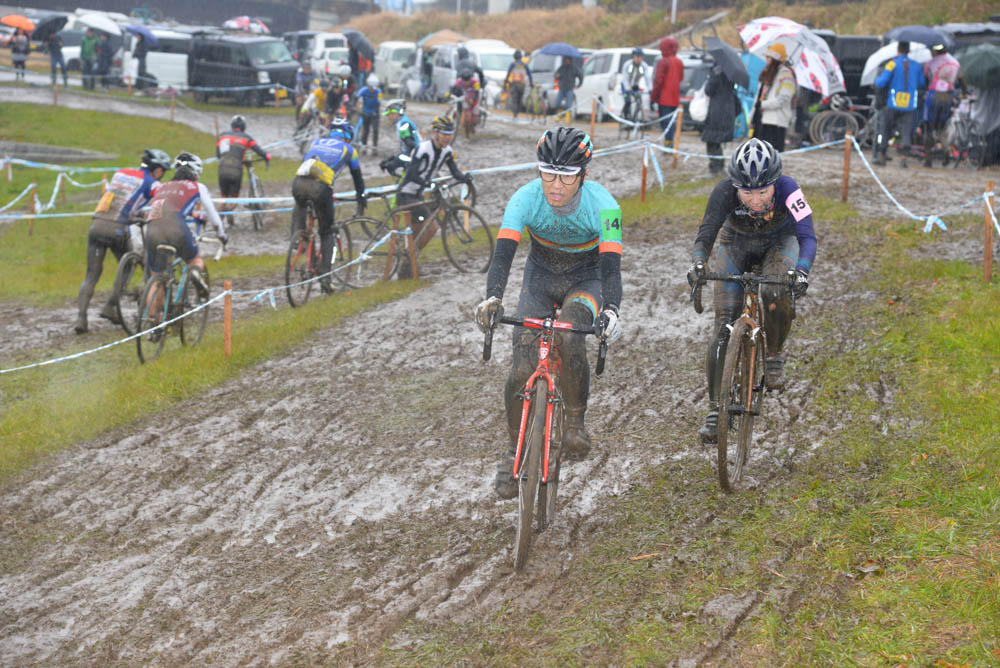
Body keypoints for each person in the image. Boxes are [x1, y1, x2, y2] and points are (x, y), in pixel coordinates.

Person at [473, 127, 623, 499]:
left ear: (583, 174)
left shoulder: (606, 206)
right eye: (549, 173)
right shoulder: (524, 198)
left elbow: (611, 269)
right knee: (521, 365)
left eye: (567, 176)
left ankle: (574, 419)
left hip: (586, 280)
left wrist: (612, 310)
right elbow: (504, 255)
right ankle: (513, 453)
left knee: (571, 334)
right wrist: (492, 298)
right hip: (539, 277)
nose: (556, 185)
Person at [687, 138, 816, 442]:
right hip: (736, 244)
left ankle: (773, 354)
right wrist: (698, 262)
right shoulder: (723, 191)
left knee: (774, 292)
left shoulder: (789, 188)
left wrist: (801, 272)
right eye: (746, 192)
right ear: (735, 187)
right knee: (723, 325)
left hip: (779, 244)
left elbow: (808, 237)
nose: (755, 201)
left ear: (775, 184)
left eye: (763, 192)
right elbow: (706, 233)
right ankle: (716, 408)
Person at [74, 149, 172, 334]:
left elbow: (122, 199)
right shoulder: (153, 184)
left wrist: (136, 213)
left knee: (91, 274)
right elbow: (159, 208)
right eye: (163, 171)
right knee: (128, 267)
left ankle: (81, 318)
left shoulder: (121, 173)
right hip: (116, 229)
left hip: (97, 224)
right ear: (158, 170)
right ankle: (110, 306)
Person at [143, 153, 228, 312]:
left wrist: (193, 214)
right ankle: (195, 272)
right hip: (176, 227)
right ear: (195, 174)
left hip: (152, 228)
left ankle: (153, 325)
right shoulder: (197, 187)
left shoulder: (162, 186)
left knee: (156, 278)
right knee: (195, 260)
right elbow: (213, 215)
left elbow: (165, 207)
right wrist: (222, 235)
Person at [292, 118, 366, 294]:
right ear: (348, 137)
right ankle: (326, 279)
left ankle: (297, 238)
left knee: (301, 205)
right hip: (321, 189)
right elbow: (357, 178)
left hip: (298, 184)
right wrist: (361, 198)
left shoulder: (314, 142)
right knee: (327, 232)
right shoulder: (350, 150)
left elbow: (305, 164)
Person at [395, 115, 473, 277]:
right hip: (406, 194)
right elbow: (411, 175)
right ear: (435, 134)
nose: (447, 138)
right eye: (444, 134)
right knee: (432, 228)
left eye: (450, 134)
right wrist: (428, 184)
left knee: (417, 233)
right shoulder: (423, 149)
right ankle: (409, 261)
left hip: (418, 194)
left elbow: (454, 171)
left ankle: (409, 263)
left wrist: (464, 178)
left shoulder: (447, 151)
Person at [873, 41, 925, 168]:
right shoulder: (917, 66)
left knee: (886, 129)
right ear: (909, 51)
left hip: (893, 103)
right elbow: (921, 83)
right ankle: (903, 159)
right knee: (906, 132)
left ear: (898, 50)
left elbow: (881, 83)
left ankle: (881, 156)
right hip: (910, 105)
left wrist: (876, 79)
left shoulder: (892, 64)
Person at [216, 115, 271, 212]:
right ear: (244, 126)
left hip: (222, 169)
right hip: (236, 170)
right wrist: (266, 156)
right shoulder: (247, 138)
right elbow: (258, 150)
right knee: (234, 200)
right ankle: (230, 210)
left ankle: (219, 218)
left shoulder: (223, 136)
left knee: (223, 198)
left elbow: (218, 154)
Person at [922, 43, 962, 168]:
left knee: (929, 127)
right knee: (942, 128)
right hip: (947, 96)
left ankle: (928, 159)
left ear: (935, 51)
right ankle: (946, 152)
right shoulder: (955, 62)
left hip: (934, 95)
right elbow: (961, 78)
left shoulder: (931, 63)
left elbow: (925, 80)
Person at [751, 43, 795, 153]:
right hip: (761, 120)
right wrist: (752, 116)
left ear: (775, 58)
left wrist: (763, 105)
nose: (766, 59)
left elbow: (783, 99)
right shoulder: (767, 73)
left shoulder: (786, 74)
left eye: (768, 57)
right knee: (757, 154)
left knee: (771, 156)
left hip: (775, 122)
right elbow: (759, 96)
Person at [701, 65, 740, 176]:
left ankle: (715, 169)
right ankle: (719, 167)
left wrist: (712, 77)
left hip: (717, 110)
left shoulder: (716, 72)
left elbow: (708, 90)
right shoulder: (731, 72)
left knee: (712, 140)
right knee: (715, 140)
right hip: (727, 109)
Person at [651, 37, 683, 144]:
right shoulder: (679, 62)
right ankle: (670, 142)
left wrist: (653, 97)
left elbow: (658, 81)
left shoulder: (663, 62)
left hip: (664, 99)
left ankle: (667, 143)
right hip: (675, 98)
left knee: (665, 122)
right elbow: (681, 78)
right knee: (671, 122)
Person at [378, 99, 420, 177]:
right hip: (413, 155)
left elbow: (411, 145)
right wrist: (389, 159)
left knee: (392, 167)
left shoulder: (403, 124)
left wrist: (394, 162)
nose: (388, 117)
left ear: (395, 113)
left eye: (388, 114)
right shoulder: (402, 121)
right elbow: (405, 148)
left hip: (415, 157)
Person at [620, 47, 652, 124]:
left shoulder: (644, 66)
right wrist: (627, 89)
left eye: (640, 57)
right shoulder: (627, 65)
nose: (639, 59)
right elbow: (625, 78)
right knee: (627, 101)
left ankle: (636, 117)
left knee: (639, 100)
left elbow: (648, 78)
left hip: (635, 86)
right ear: (633, 57)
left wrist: (650, 89)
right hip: (625, 86)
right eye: (637, 57)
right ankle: (625, 116)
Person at [355, 73, 383, 154]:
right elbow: (356, 98)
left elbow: (379, 102)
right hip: (365, 112)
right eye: (371, 88)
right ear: (368, 85)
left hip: (375, 113)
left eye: (374, 88)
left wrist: (375, 111)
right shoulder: (363, 90)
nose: (372, 90)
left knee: (375, 130)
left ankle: (375, 147)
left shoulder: (379, 91)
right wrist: (358, 108)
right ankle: (364, 146)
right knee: (365, 130)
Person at [503, 50, 533, 118]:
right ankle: (517, 112)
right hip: (522, 85)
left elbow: (508, 74)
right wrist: (531, 83)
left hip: (514, 84)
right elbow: (530, 75)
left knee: (514, 99)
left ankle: (515, 113)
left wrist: (505, 83)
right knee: (520, 99)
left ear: (514, 57)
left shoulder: (513, 64)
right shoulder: (524, 65)